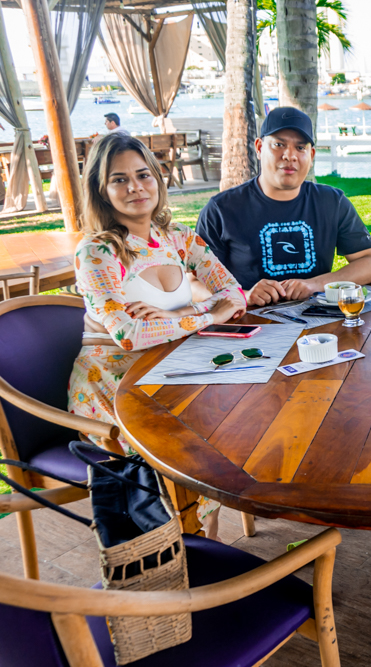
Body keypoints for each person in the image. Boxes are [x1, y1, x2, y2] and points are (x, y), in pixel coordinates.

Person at [68, 133, 246, 540]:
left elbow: (233, 294)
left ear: (158, 179)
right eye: (119, 179)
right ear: (101, 189)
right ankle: (183, 557)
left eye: (143, 174)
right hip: (112, 388)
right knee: (190, 457)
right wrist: (205, 314)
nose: (135, 187)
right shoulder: (97, 251)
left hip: (171, 370)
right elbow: (130, 336)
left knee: (231, 426)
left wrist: (187, 312)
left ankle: (206, 549)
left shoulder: (177, 237)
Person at [196, 107, 371, 307]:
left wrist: (315, 284)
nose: (290, 155)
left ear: (311, 155)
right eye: (279, 144)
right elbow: (192, 284)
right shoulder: (221, 209)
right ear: (259, 148)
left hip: (318, 323)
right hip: (249, 321)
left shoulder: (332, 202)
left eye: (300, 148)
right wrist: (245, 295)